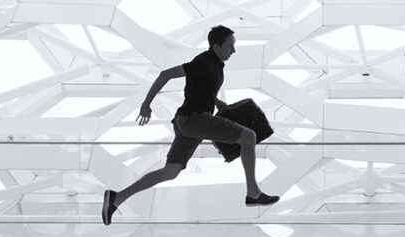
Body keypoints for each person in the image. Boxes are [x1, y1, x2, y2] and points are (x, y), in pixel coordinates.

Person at [101, 25, 279, 226]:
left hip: (187, 122)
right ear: (216, 46)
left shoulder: (216, 64)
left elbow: (201, 91)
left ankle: (116, 198)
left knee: (170, 172)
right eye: (230, 46)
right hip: (194, 120)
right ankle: (253, 192)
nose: (233, 51)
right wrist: (146, 104)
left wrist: (218, 103)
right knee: (248, 136)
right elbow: (165, 74)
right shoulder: (203, 61)